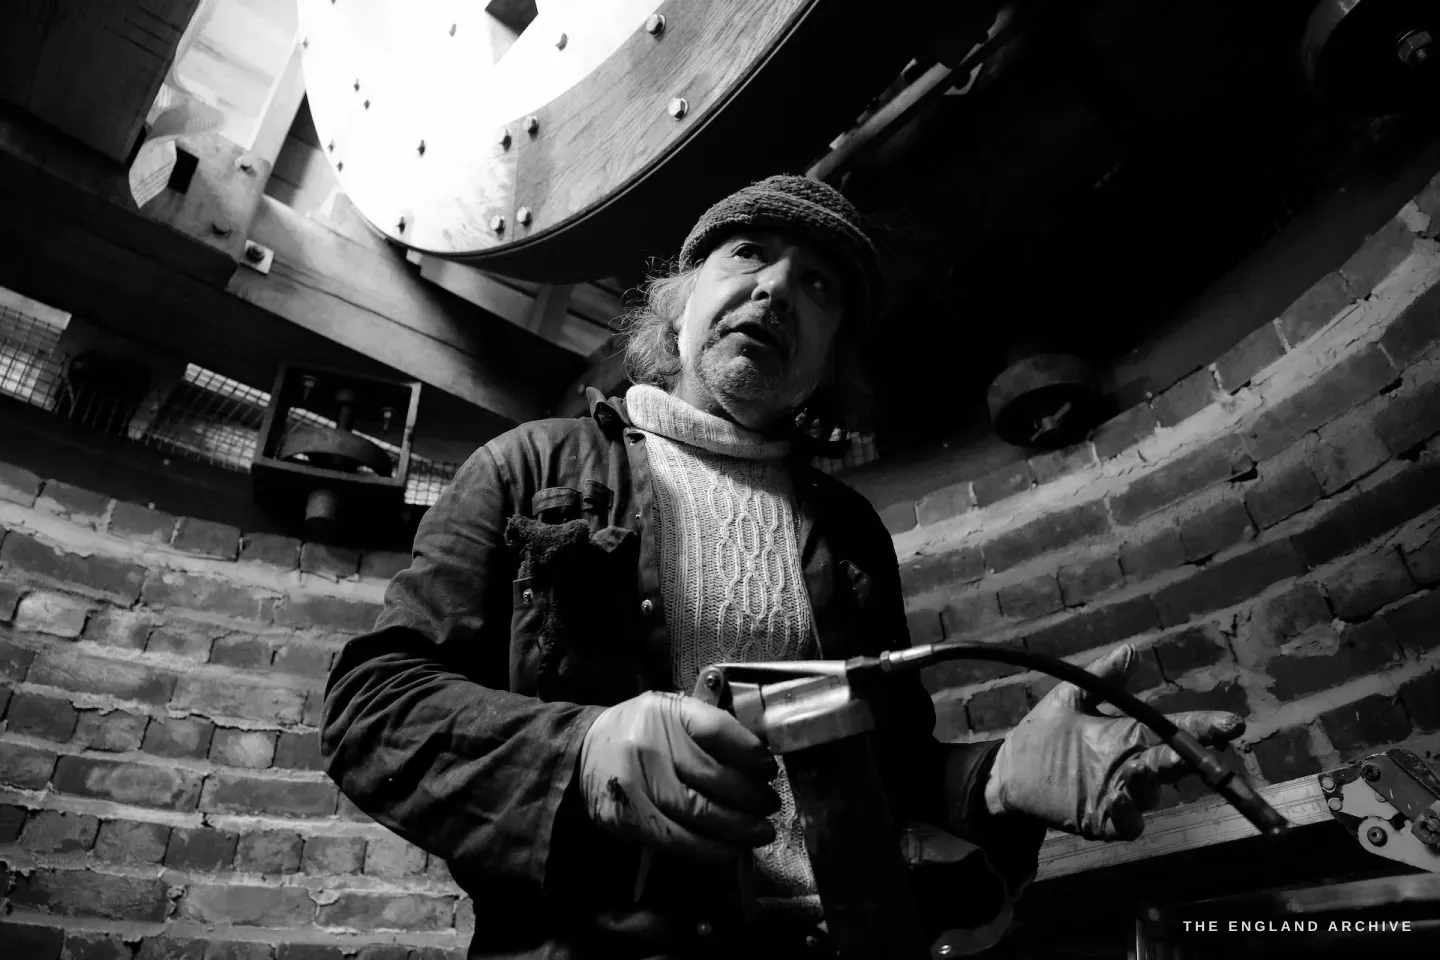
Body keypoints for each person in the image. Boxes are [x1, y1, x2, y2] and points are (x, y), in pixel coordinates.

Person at [322, 175, 1246, 959]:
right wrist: (583, 753)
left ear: (829, 358)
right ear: (680, 300)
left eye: (818, 286)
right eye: (748, 256)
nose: (775, 290)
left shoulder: (849, 533)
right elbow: (375, 708)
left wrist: (998, 780)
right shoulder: (531, 465)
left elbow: (888, 771)